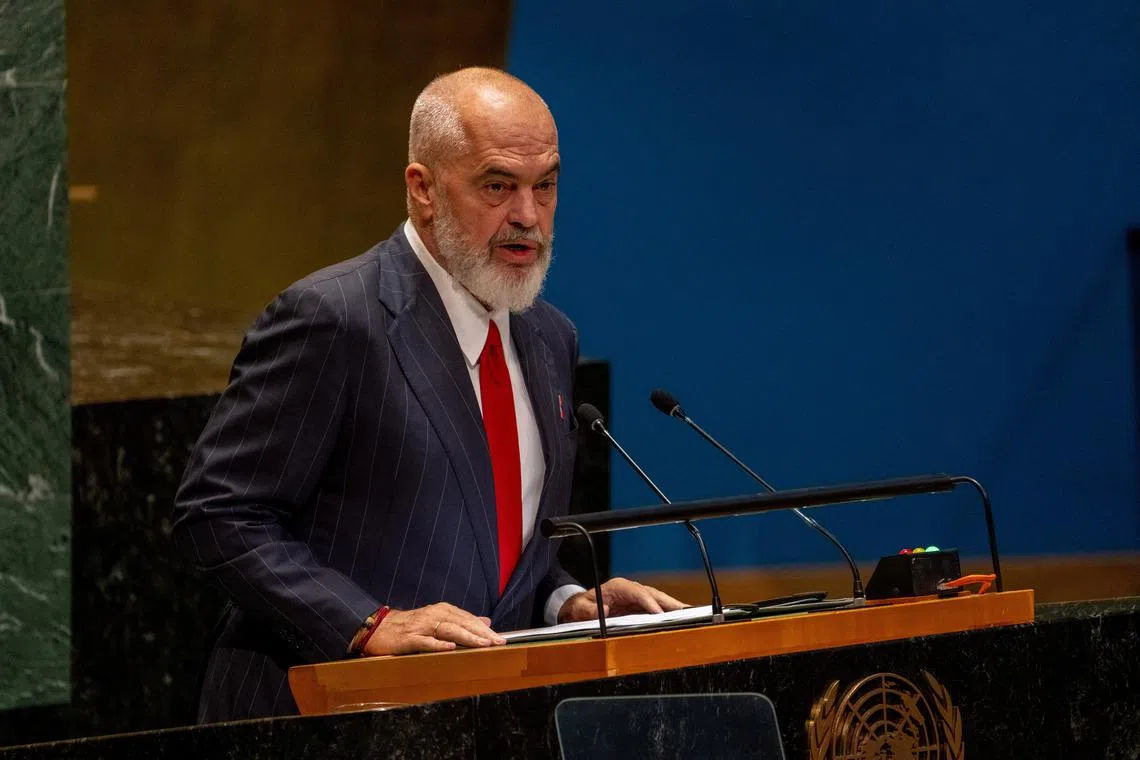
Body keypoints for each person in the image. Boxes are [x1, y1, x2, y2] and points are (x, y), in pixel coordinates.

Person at [172, 67, 684, 722]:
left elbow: (490, 545)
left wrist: (566, 602)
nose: (528, 215)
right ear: (423, 189)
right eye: (498, 186)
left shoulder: (550, 337)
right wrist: (366, 622)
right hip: (321, 717)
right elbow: (216, 515)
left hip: (474, 719)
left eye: (545, 185)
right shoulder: (336, 319)